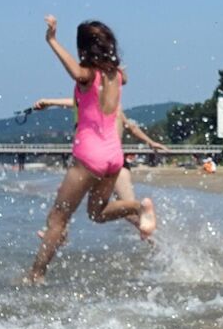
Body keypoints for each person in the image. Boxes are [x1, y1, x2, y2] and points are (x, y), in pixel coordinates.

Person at [25, 16, 157, 283]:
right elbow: (122, 75)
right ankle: (139, 206)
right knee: (96, 213)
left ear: (84, 48)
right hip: (113, 158)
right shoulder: (117, 75)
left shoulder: (88, 75)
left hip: (89, 156)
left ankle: (35, 275)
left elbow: (77, 73)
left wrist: (51, 40)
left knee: (57, 218)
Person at [27, 95, 166, 240]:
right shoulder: (113, 105)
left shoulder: (95, 102)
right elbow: (130, 127)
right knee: (127, 210)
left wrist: (49, 102)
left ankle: (59, 231)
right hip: (117, 161)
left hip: (95, 161)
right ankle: (157, 238)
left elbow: (78, 101)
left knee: (67, 196)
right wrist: (150, 142)